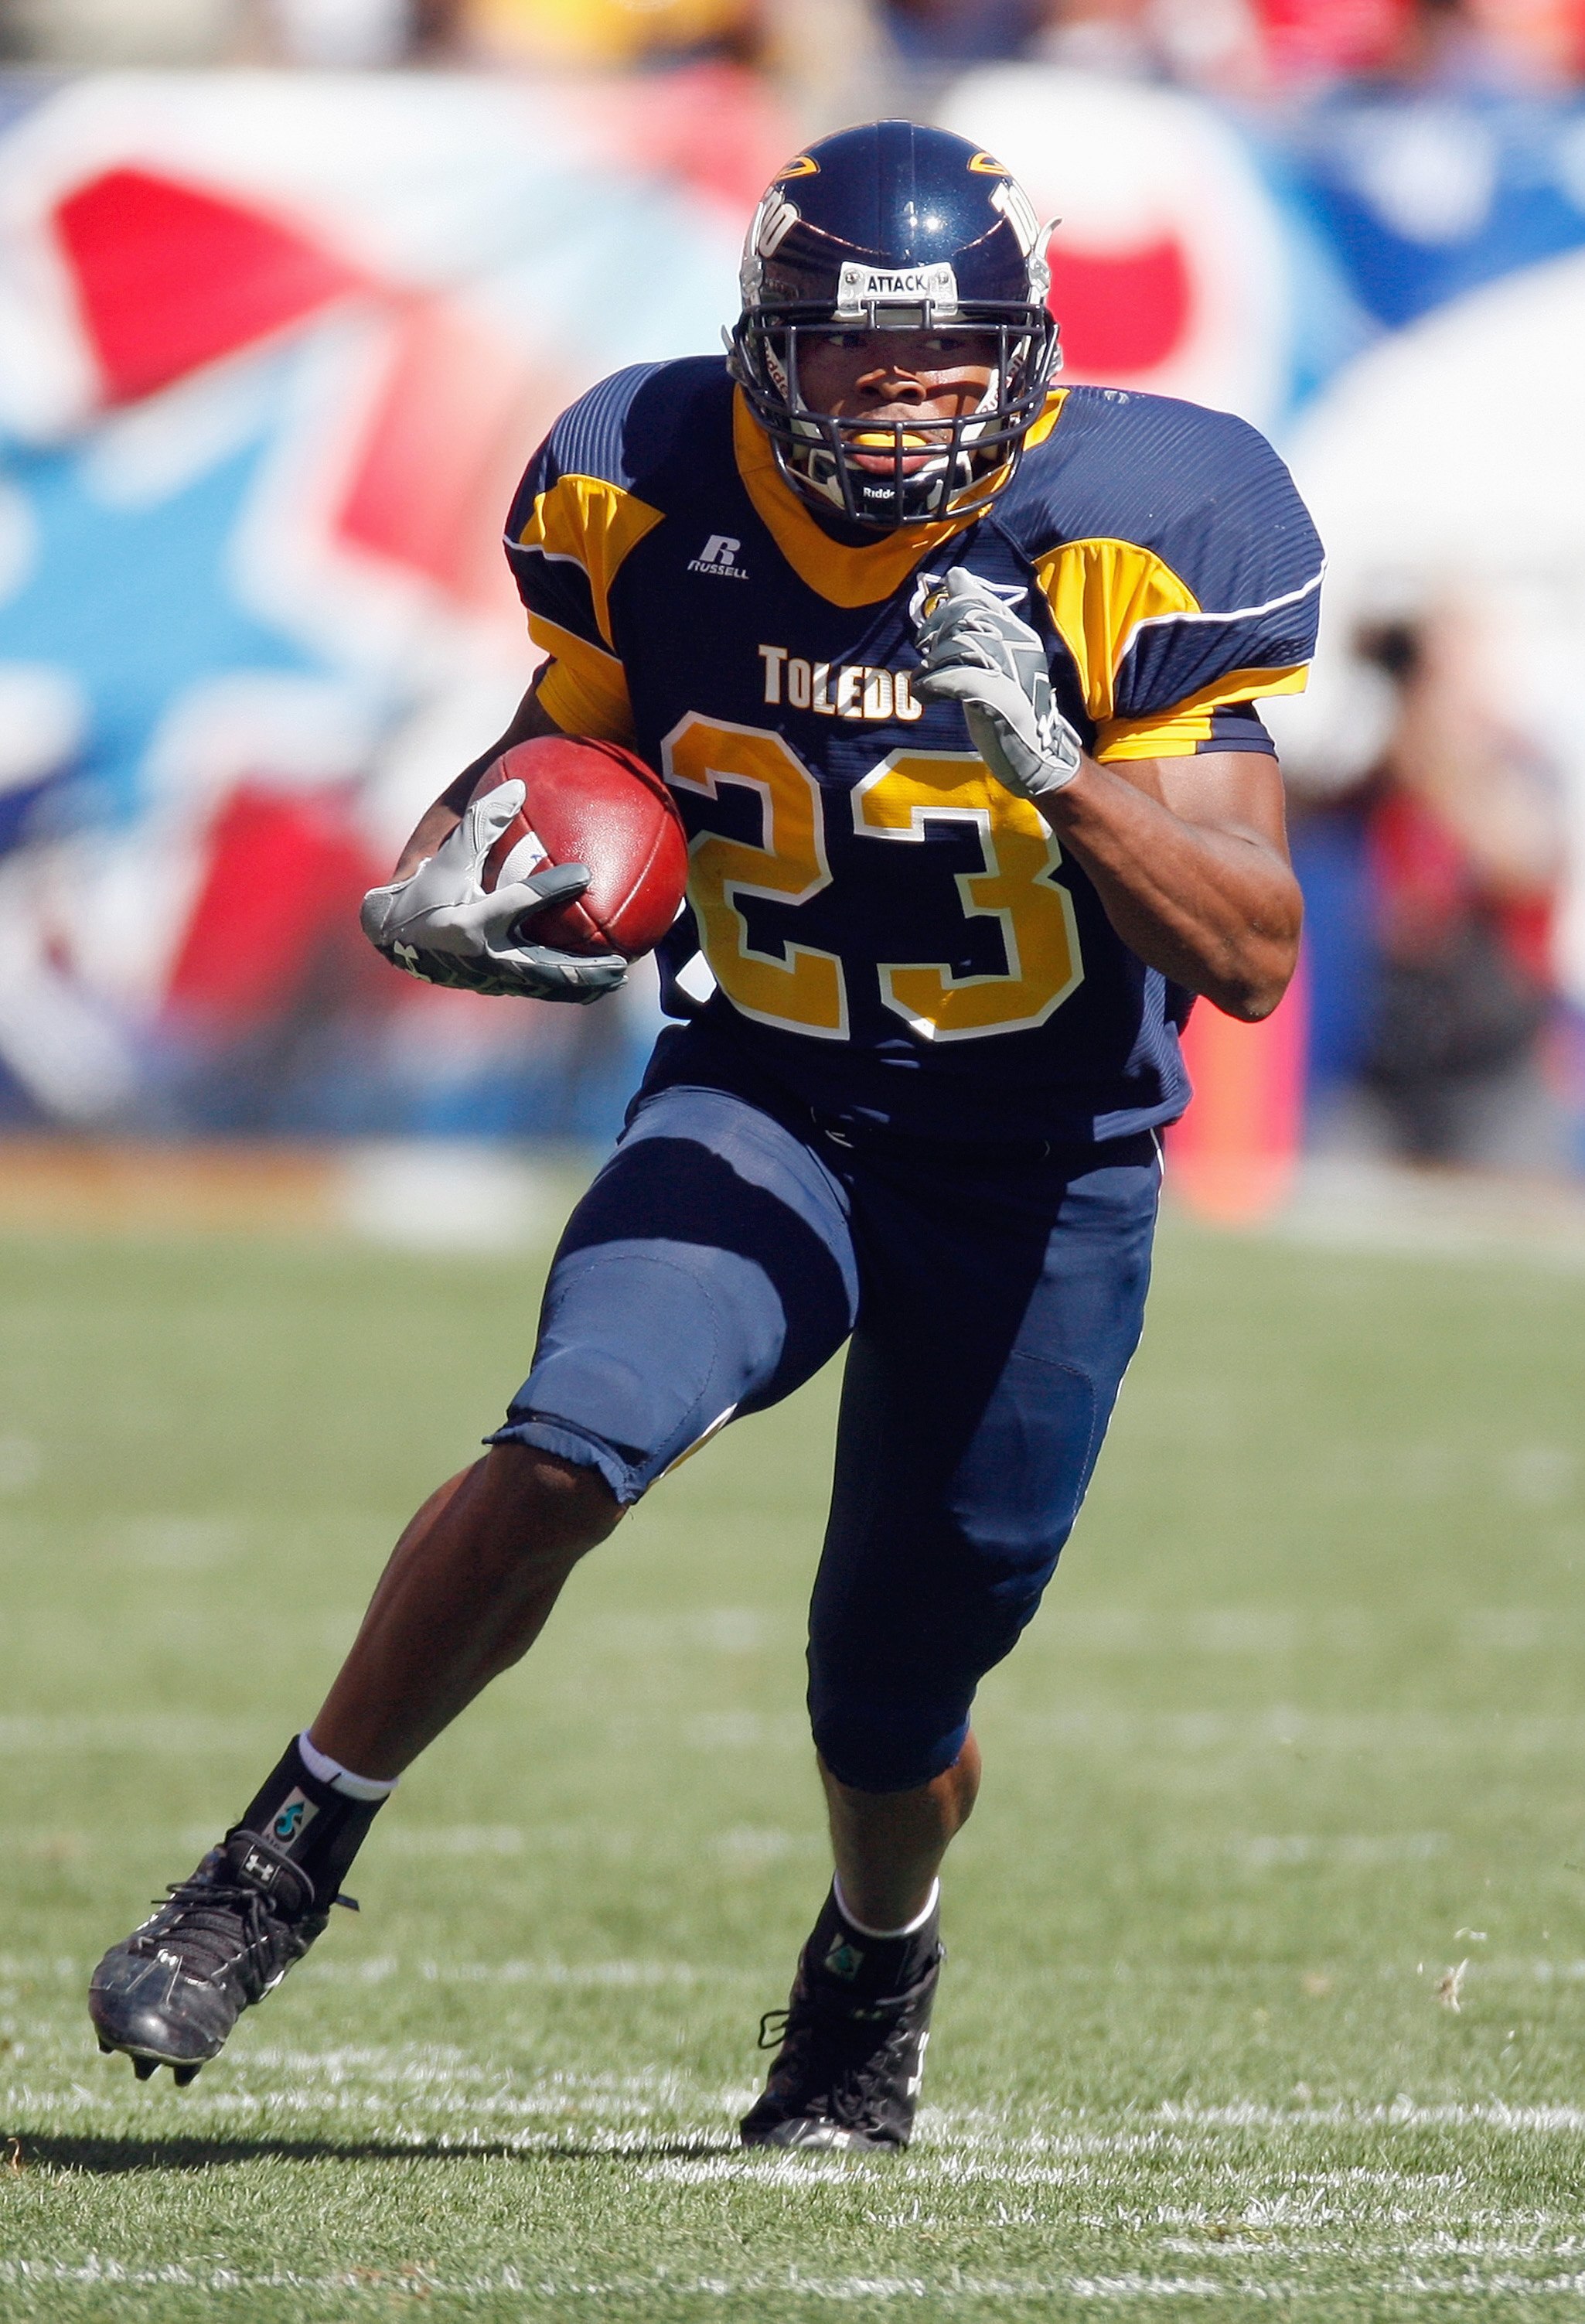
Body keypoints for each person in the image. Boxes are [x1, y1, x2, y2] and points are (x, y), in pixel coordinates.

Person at [88, 119, 1321, 2149]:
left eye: (939, 362)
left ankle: (870, 1964)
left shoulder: (1144, 517)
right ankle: (275, 1860)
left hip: (1038, 1160)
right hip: (765, 1084)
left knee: (890, 1698)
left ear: (1021, 358)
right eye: (849, 356)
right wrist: (452, 863)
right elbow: (561, 739)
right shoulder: (635, 478)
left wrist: (1062, 775)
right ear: (765, 349)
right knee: (577, 1430)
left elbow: (1255, 950)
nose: (895, 402)